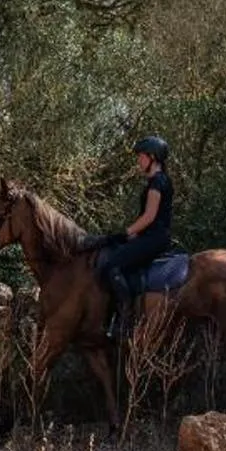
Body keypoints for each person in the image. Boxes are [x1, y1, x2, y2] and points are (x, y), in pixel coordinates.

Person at [90, 135, 175, 339]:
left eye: (141, 156)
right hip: (150, 235)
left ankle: (125, 320)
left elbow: (149, 216)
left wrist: (125, 233)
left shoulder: (157, 182)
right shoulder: (156, 181)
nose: (139, 160)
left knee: (112, 265)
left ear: (152, 157)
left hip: (155, 238)